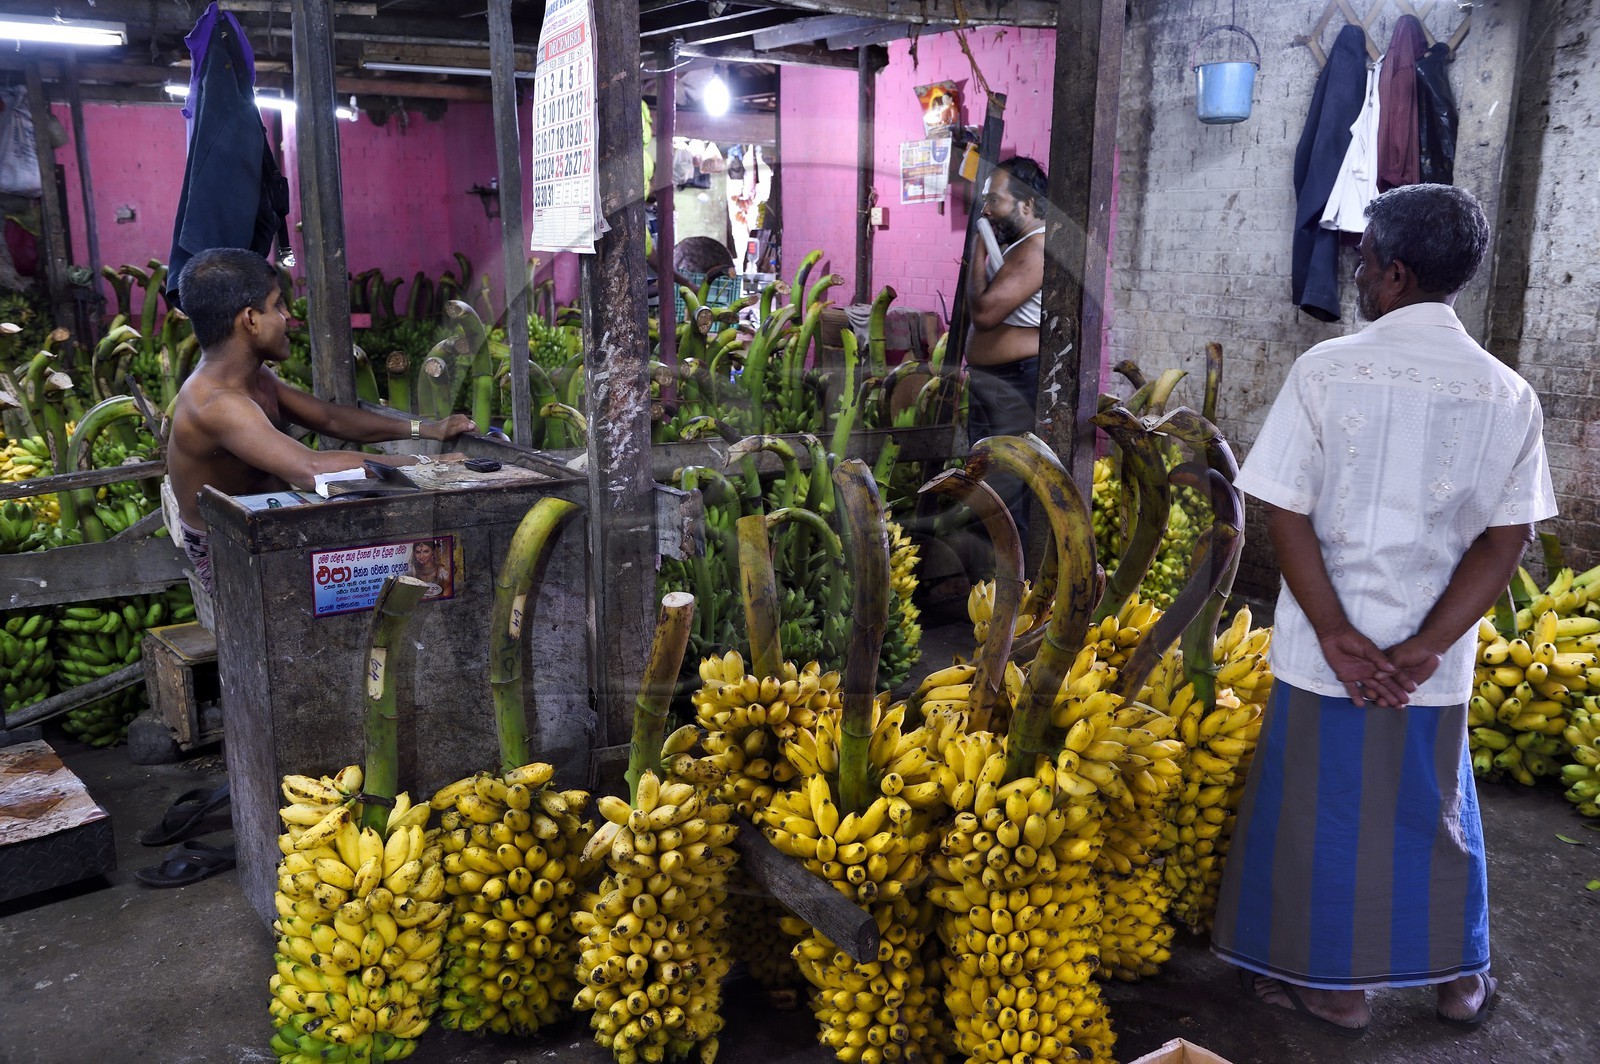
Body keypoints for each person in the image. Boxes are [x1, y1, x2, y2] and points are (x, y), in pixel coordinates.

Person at [1211, 184, 1556, 1038]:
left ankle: (1336, 992)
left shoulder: (1327, 371)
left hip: (1330, 650)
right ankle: (1459, 984)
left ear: (1394, 272)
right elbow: (1503, 544)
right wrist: (1428, 648)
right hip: (1428, 667)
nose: (1359, 274)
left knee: (1322, 814)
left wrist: (1335, 632)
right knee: (1433, 811)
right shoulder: (1508, 394)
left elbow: (1283, 510)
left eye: (1364, 260)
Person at [167, 248, 475, 591]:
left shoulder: (252, 377)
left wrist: (425, 429)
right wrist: (430, 463)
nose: (288, 316)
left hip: (271, 524)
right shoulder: (214, 403)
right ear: (251, 319)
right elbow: (311, 469)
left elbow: (329, 419)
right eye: (278, 305)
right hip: (229, 551)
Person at [965, 156, 1047, 546]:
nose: (986, 210)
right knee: (986, 487)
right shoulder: (1016, 247)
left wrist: (977, 248)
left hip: (1014, 386)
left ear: (1026, 205)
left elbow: (984, 312)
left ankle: (1016, 593)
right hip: (994, 383)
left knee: (1007, 492)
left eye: (994, 201)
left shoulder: (1036, 248)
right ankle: (991, 592)